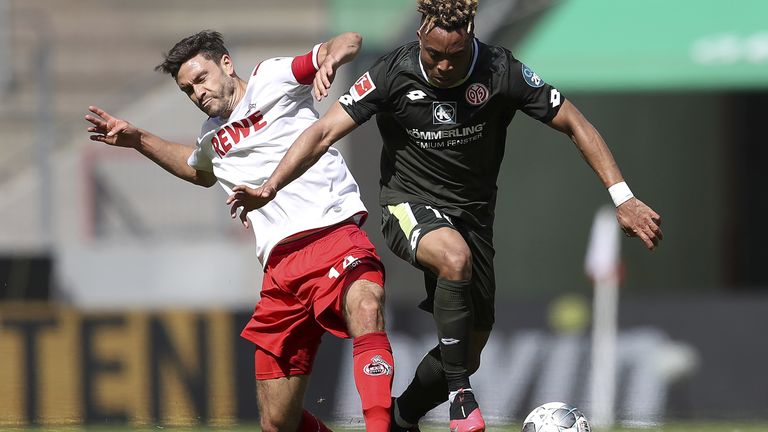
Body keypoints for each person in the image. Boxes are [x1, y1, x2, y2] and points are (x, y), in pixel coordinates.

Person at [227, 0, 664, 430]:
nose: (442, 66)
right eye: (434, 55)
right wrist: (270, 187)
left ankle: (403, 416)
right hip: (407, 204)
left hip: (473, 218)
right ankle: (460, 395)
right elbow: (322, 131)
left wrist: (622, 196)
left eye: (454, 56)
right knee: (453, 258)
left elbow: (574, 122)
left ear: (471, 37)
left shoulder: (501, 71)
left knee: (469, 348)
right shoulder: (391, 74)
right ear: (420, 35)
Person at [85, 30, 396, 432]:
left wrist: (331, 59)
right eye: (187, 90)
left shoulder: (272, 78)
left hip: (332, 234)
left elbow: (349, 40)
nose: (197, 93)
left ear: (226, 64)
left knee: (367, 306)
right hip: (280, 271)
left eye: (200, 79)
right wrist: (139, 139)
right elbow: (198, 170)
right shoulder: (211, 135)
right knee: (276, 423)